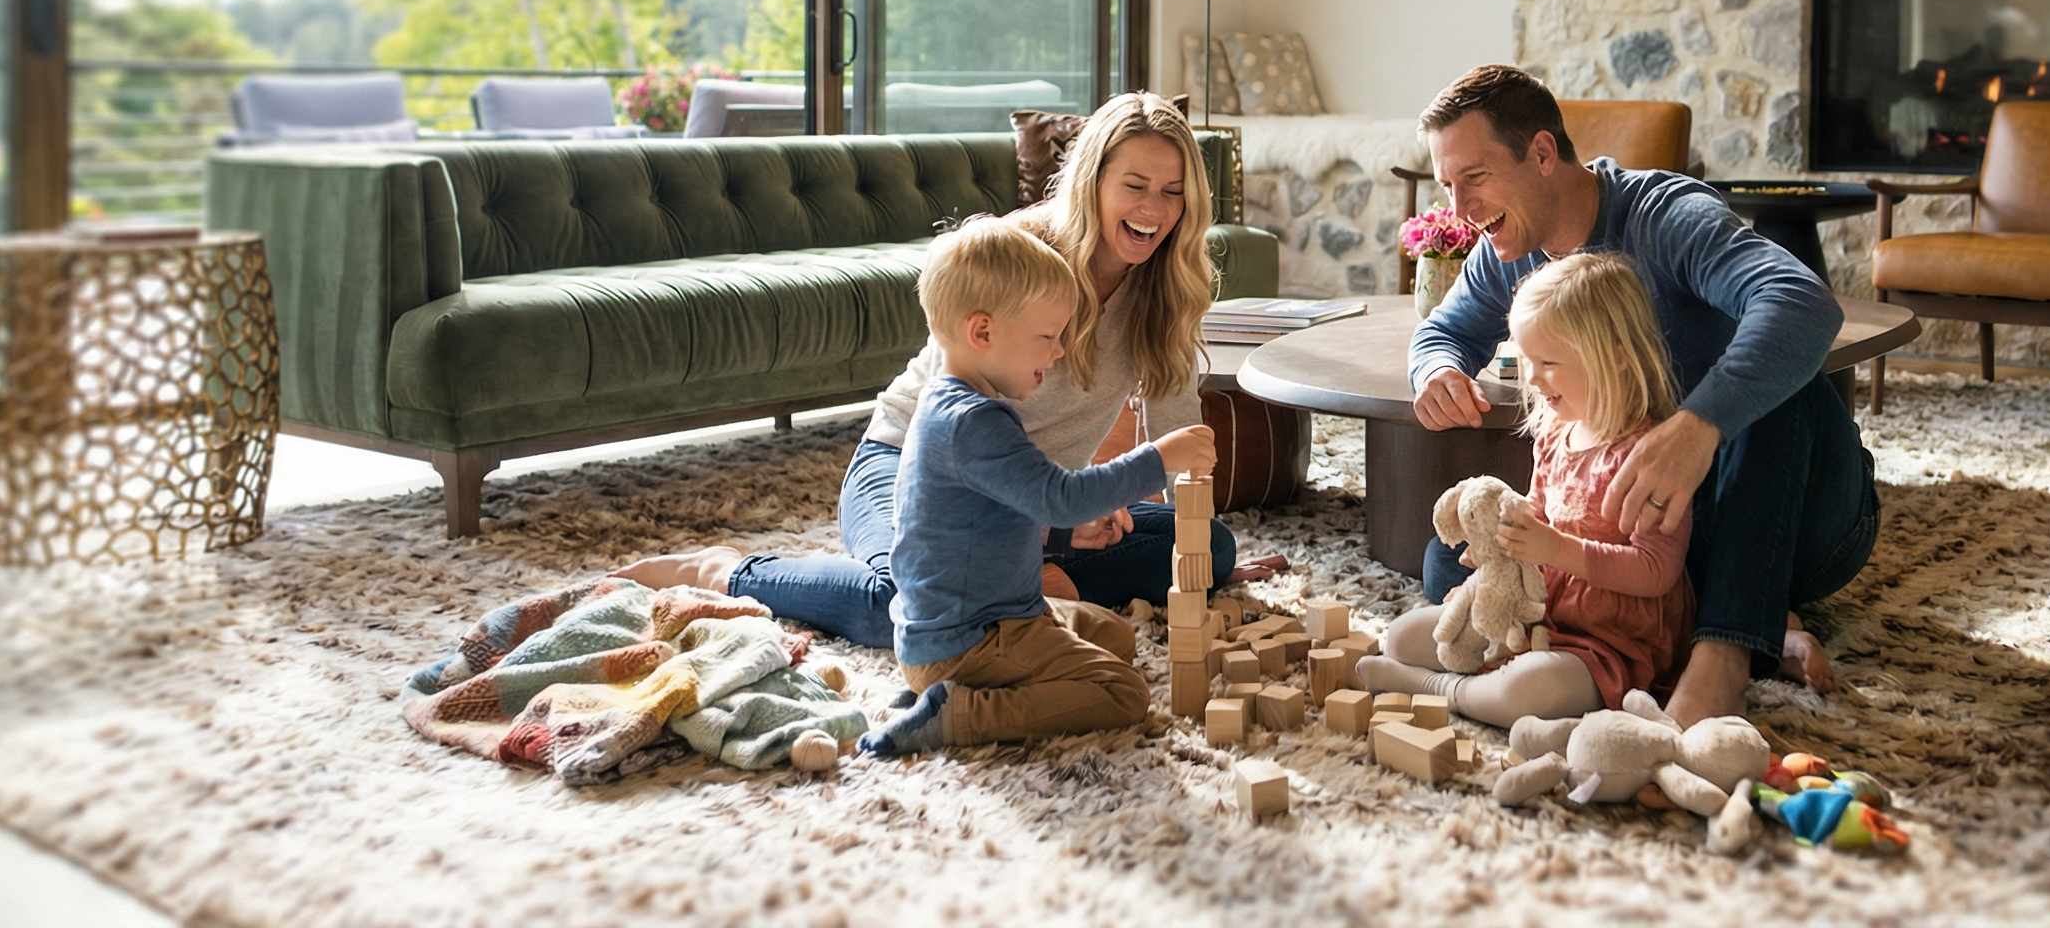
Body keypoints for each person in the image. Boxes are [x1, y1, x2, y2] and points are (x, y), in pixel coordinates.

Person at [615, 93, 1280, 643]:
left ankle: (1032, 585)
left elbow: (1175, 438)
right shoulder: (1017, 258)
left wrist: (1191, 551)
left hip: (1035, 500)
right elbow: (951, 441)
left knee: (1215, 552)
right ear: (1093, 182)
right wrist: (1048, 525)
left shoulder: (1167, 291)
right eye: (1134, 186)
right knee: (907, 606)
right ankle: (725, 572)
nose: (1154, 210)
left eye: (1172, 192)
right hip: (914, 470)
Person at [1408, 65, 1876, 723]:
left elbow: (1804, 303)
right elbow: (1442, 333)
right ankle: (1757, 617)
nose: (1458, 210)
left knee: (1774, 387)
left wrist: (1698, 425)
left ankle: (1726, 652)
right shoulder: (1505, 247)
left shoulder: (1667, 216)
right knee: (1455, 561)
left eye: (1474, 179)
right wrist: (1436, 371)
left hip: (1803, 514)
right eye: (1447, 186)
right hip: (1667, 540)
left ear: (1542, 153)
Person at [860, 215, 1220, 755]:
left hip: (986, 616)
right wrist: (1155, 459)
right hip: (974, 638)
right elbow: (1060, 496)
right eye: (1048, 338)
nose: (1057, 353)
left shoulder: (957, 406)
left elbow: (990, 520)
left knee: (1114, 636)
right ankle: (960, 712)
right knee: (1121, 690)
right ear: (982, 332)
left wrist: (1061, 538)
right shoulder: (972, 422)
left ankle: (946, 689)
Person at [1357, 252, 1695, 726]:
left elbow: (1657, 570)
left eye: (1548, 362)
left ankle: (1441, 689)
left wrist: (1557, 549)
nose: (1532, 378)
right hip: (1537, 610)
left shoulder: (1652, 455)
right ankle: (1470, 677)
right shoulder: (1558, 430)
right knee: (1404, 637)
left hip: (1608, 641)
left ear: (1616, 354)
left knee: (1527, 691)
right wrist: (1498, 556)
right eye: (1526, 359)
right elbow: (1535, 509)